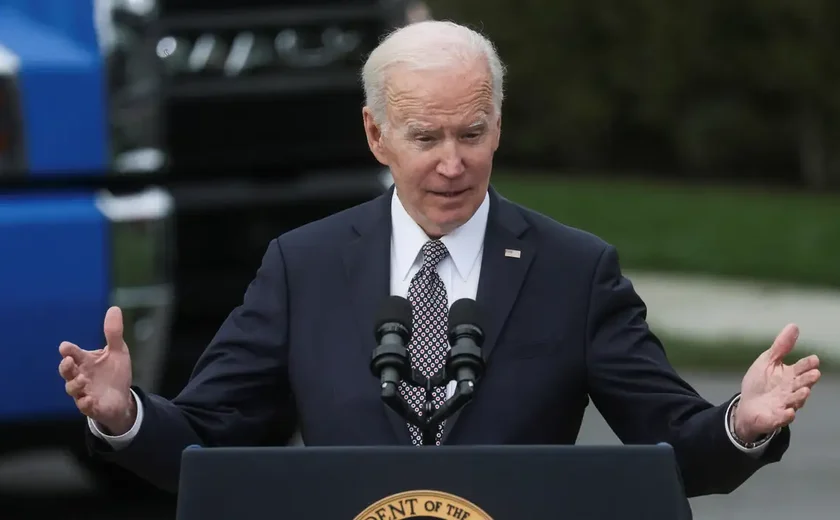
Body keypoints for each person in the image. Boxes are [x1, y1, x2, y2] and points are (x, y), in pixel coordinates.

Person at [58, 20, 821, 496]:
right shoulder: (305, 266)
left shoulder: (574, 271)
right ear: (375, 135)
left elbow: (674, 455)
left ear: (498, 127)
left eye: (472, 133)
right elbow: (205, 445)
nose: (452, 163)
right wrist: (126, 415)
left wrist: (741, 423)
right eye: (426, 138)